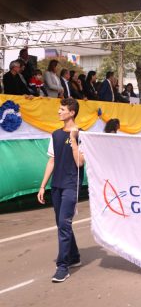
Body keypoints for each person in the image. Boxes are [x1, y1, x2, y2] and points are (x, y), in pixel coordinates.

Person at [37, 98, 85, 283]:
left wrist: (73, 139)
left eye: (62, 109)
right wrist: (42, 185)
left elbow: (80, 162)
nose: (59, 112)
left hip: (71, 184)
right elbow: (52, 160)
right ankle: (74, 256)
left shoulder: (81, 134)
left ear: (72, 112)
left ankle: (62, 266)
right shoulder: (55, 134)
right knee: (61, 223)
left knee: (64, 224)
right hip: (56, 185)